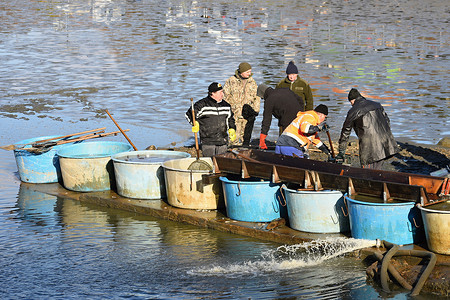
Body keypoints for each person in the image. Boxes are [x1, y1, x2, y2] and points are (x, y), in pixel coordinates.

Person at [336, 88, 398, 169]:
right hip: (384, 142)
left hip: (369, 146)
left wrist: (341, 151)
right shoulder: (377, 105)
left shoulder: (353, 111)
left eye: (350, 103)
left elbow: (345, 132)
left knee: (367, 172)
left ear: (352, 100)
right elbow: (387, 121)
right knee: (377, 170)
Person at [185, 82, 236, 157]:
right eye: (220, 92)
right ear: (213, 93)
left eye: (222, 92)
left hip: (222, 140)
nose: (222, 94)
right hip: (208, 141)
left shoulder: (226, 106)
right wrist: (194, 123)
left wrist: (232, 129)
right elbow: (189, 115)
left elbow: (230, 119)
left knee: (221, 162)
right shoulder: (202, 105)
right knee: (210, 161)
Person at [256, 83, 305, 150]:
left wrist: (262, 138)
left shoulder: (269, 100)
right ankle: (300, 148)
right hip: (299, 114)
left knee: (287, 140)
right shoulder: (285, 90)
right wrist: (301, 112)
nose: (263, 99)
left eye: (262, 98)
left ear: (263, 94)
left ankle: (290, 154)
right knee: (296, 135)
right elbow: (300, 99)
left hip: (287, 117)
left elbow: (267, 119)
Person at [223, 62, 260, 146]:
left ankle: (245, 150)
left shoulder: (252, 82)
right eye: (247, 72)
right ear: (241, 72)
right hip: (235, 113)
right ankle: (232, 151)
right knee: (234, 137)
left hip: (247, 114)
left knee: (246, 137)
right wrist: (234, 107)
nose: (249, 73)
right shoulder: (231, 81)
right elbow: (225, 95)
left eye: (250, 71)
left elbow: (256, 97)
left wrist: (256, 110)